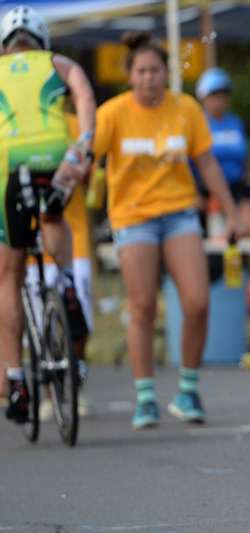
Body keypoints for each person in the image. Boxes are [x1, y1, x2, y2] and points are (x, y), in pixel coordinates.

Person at [92, 31, 243, 430]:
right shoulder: (112, 114)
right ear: (130, 75)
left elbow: (207, 164)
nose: (149, 78)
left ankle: (187, 389)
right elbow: (87, 158)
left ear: (166, 73)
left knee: (197, 301)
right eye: (141, 71)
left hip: (179, 214)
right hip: (133, 216)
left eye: (155, 70)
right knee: (142, 305)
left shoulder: (186, 109)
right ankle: (145, 397)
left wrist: (231, 212)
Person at [0, 5, 96, 424]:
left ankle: (17, 381)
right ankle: (69, 285)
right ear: (40, 39)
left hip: (9, 164)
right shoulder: (59, 62)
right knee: (54, 219)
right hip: (58, 156)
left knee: (9, 274)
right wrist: (83, 146)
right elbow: (86, 98)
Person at [24, 113, 95, 419]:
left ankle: (75, 382)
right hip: (24, 238)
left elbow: (94, 177)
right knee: (40, 326)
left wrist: (84, 167)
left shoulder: (75, 122)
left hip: (71, 238)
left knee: (77, 318)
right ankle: (48, 392)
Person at [194, 67, 250, 239]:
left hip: (236, 186)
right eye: (215, 94)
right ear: (204, 96)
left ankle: (245, 264)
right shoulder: (197, 123)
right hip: (205, 188)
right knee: (214, 228)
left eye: (224, 93)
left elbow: (243, 156)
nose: (221, 99)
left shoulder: (235, 122)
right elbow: (188, 160)